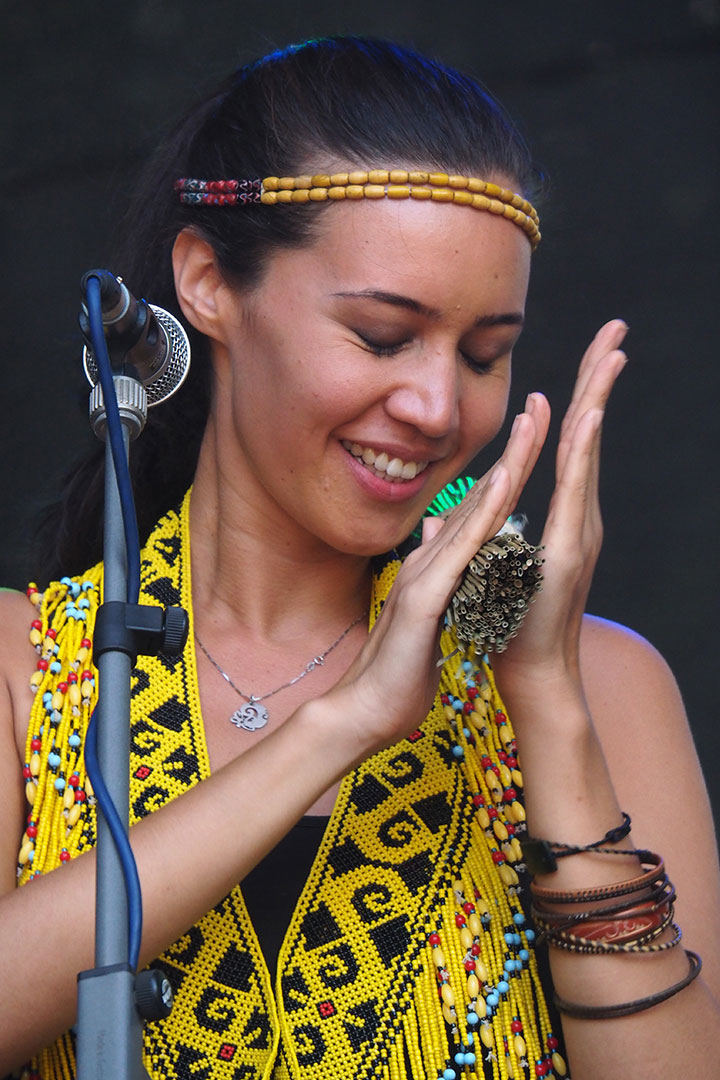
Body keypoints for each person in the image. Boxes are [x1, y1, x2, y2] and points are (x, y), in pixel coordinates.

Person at [1, 35, 718, 1080]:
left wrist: (549, 703)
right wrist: (343, 725)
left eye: (484, 355)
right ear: (206, 282)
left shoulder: (601, 684)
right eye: (385, 337)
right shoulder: (31, 670)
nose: (437, 408)